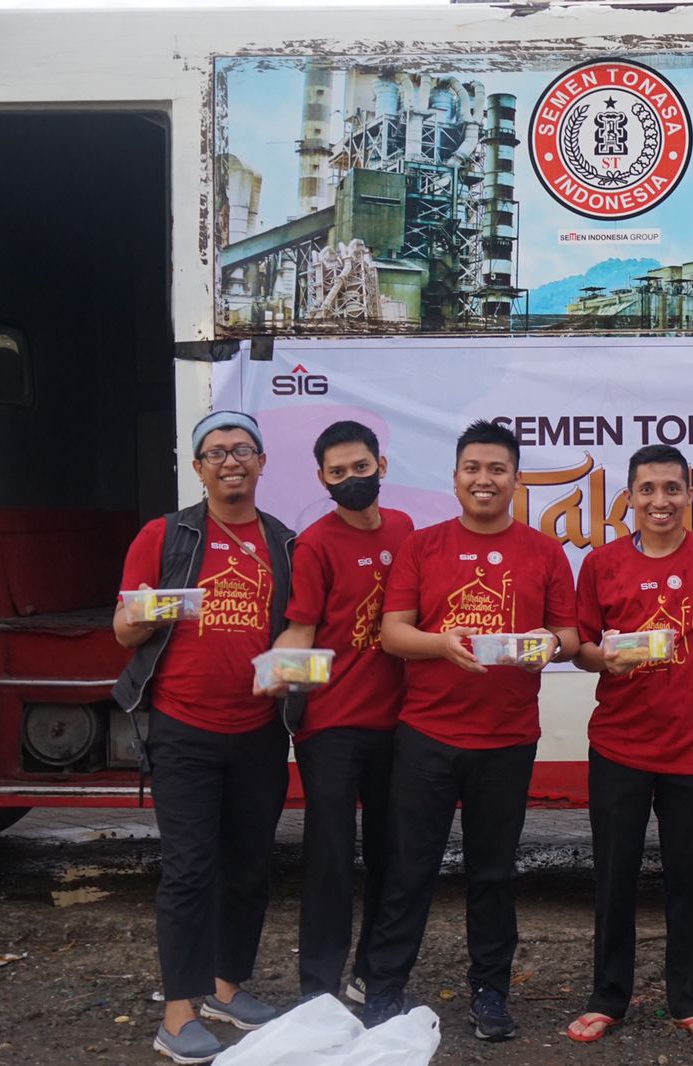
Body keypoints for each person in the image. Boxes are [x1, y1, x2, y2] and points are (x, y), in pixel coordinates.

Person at [361, 419, 578, 1041]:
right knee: (409, 869)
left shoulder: (544, 551)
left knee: (493, 874)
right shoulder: (423, 546)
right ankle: (384, 989)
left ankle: (491, 993)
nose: (485, 480)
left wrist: (547, 645)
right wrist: (441, 643)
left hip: (507, 739)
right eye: (473, 468)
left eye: (497, 469)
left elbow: (568, 636)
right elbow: (392, 633)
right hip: (426, 737)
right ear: (455, 477)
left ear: (516, 479)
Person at [112, 410, 297, 1065]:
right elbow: (123, 630)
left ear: (261, 462)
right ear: (198, 467)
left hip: (260, 733)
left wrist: (290, 663)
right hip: (183, 729)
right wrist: (148, 609)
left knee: (249, 865)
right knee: (190, 870)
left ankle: (225, 987)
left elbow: (295, 627)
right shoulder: (166, 534)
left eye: (242, 449)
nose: (230, 461)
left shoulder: (284, 543)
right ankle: (178, 1015)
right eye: (216, 452)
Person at [566, 445, 693, 1046]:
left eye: (672, 488)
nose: (660, 501)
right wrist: (605, 659)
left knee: (690, 879)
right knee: (614, 875)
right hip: (618, 746)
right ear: (629, 498)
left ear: (690, 494)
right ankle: (608, 997)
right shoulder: (601, 564)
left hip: (692, 748)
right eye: (647, 489)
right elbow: (580, 648)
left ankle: (686, 997)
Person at [265, 420, 414, 1004]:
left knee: (390, 855)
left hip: (399, 724)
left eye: (360, 467)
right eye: (338, 472)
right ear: (321, 479)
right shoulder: (316, 544)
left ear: (381, 466)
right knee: (329, 859)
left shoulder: (404, 529)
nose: (351, 479)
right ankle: (319, 989)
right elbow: (300, 628)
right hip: (330, 726)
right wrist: (273, 673)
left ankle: (371, 975)